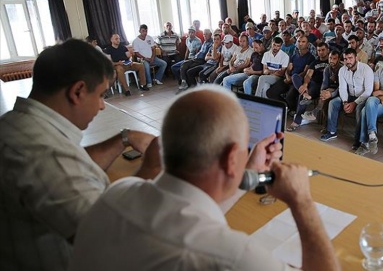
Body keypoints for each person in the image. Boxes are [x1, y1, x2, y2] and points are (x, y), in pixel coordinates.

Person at [69, 86, 339, 271]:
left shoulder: (119, 193)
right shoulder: (231, 256)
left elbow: (195, 209)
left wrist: (251, 172)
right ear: (233, 158)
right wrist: (302, 201)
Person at [0, 40, 159, 271]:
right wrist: (152, 168)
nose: (103, 106)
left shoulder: (18, 125)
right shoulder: (42, 153)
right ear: (77, 91)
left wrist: (123, 138)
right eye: (102, 95)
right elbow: (112, 241)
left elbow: (72, 162)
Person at [320, 48, 374, 148]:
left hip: (363, 97)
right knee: (333, 103)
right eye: (345, 59)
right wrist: (345, 102)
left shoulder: (366, 69)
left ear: (356, 58)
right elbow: (342, 88)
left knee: (359, 110)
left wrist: (355, 103)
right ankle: (332, 132)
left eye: (350, 58)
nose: (348, 61)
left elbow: (368, 91)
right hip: (349, 96)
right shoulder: (342, 70)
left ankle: (358, 139)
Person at [287, 42, 330, 131]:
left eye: (323, 50)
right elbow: (308, 75)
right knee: (295, 76)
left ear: (328, 50)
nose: (321, 52)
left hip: (321, 86)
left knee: (301, 96)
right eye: (319, 50)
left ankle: (296, 122)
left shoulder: (331, 62)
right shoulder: (315, 62)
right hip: (311, 84)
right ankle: (305, 93)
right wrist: (305, 84)